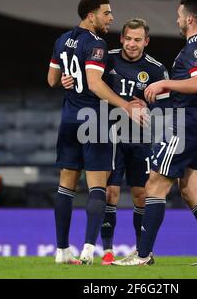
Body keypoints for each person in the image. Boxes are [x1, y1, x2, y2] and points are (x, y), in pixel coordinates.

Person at [112, 0, 197, 266]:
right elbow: (195, 88)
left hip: (186, 127)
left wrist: (165, 83)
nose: (177, 20)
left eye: (179, 16)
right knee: (192, 191)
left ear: (189, 19)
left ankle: (142, 255)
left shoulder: (196, 47)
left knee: (154, 185)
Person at [47, 0, 146, 265]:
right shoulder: (97, 44)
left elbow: (52, 79)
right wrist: (126, 105)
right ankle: (89, 250)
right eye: (107, 13)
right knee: (97, 187)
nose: (111, 18)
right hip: (94, 121)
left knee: (65, 185)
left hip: (68, 119)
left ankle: (62, 251)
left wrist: (68, 79)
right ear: (91, 15)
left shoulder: (61, 40)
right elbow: (94, 83)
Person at [63, 18, 169, 265]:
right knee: (110, 192)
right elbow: (83, 80)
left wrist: (149, 107)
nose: (132, 44)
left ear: (146, 41)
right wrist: (67, 80)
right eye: (128, 38)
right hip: (107, 136)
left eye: (138, 40)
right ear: (121, 38)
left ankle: (142, 252)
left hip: (141, 139)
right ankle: (108, 250)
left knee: (141, 195)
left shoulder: (156, 70)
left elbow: (166, 108)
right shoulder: (105, 58)